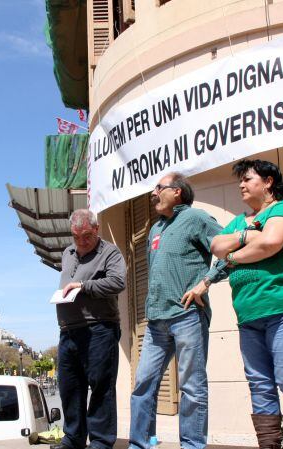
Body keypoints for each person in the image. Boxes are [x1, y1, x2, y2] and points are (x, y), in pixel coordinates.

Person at [211, 159, 283, 449]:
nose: (241, 185)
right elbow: (216, 246)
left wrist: (233, 256)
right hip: (249, 315)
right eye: (240, 182)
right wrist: (246, 235)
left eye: (247, 179)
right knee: (259, 385)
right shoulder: (239, 221)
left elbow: (269, 244)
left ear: (269, 181)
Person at [128, 172, 228, 449]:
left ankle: (192, 445)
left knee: (192, 387)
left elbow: (231, 249)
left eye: (158, 188)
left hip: (188, 316)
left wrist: (206, 283)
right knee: (143, 385)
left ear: (178, 192)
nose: (153, 194)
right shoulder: (154, 229)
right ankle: (140, 444)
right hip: (156, 321)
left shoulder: (196, 219)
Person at [53, 209, 126, 449]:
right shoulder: (67, 253)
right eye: (76, 236)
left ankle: (101, 442)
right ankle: (73, 438)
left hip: (99, 330)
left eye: (86, 235)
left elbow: (118, 282)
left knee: (101, 388)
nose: (82, 241)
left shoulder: (110, 252)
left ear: (96, 230)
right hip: (68, 331)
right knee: (69, 388)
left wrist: (83, 286)